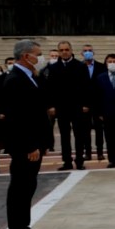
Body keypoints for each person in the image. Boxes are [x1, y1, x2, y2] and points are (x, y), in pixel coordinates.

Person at [0, 39, 52, 229]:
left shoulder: (30, 77)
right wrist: (30, 145)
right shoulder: (15, 80)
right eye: (38, 54)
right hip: (24, 145)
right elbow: (18, 118)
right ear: (25, 56)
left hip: (35, 143)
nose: (41, 58)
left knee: (28, 187)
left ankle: (24, 227)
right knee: (19, 189)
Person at [46, 41, 91, 171]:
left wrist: (86, 104)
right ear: (59, 52)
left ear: (71, 50)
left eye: (67, 49)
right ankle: (67, 161)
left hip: (77, 106)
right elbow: (50, 89)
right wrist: (51, 106)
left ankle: (79, 161)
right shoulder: (53, 68)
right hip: (61, 107)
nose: (64, 52)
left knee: (79, 135)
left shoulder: (80, 66)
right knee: (64, 136)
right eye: (61, 50)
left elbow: (86, 86)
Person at [80, 44, 104, 163]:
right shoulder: (78, 67)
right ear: (81, 53)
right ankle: (87, 152)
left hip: (98, 104)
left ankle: (100, 152)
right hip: (84, 105)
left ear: (93, 53)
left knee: (99, 130)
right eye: (85, 51)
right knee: (85, 130)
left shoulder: (101, 67)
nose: (87, 52)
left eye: (90, 50)